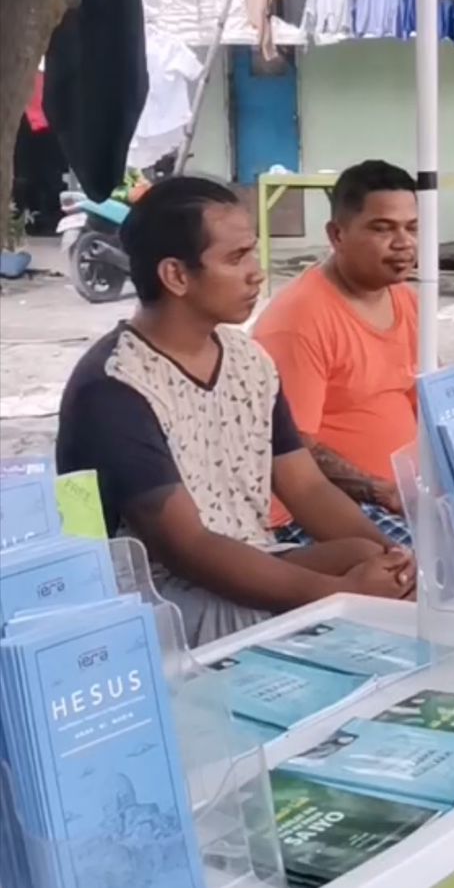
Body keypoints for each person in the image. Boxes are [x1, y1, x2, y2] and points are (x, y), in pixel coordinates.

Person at [57, 176, 415, 647]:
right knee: (369, 618)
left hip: (249, 557)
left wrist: (396, 559)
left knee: (365, 553)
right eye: (236, 258)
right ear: (176, 276)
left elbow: (304, 484)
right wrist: (338, 594)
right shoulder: (113, 387)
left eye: (253, 252)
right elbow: (190, 549)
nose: (257, 272)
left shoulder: (247, 360)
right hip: (163, 602)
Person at [253, 161, 418, 549]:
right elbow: (293, 450)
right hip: (317, 510)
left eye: (411, 228)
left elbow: (428, 401)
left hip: (407, 499)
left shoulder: (407, 301)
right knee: (433, 575)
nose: (403, 243)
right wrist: (379, 490)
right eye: (382, 229)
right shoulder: (300, 319)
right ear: (337, 234)